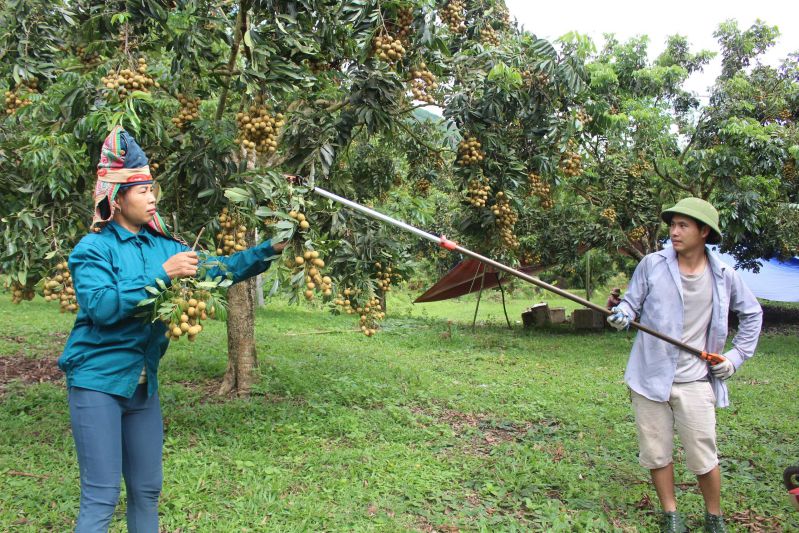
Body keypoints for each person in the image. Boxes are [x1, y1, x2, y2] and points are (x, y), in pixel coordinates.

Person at [57, 126, 286, 532]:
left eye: (152, 190)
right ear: (117, 196)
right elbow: (102, 307)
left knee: (147, 490)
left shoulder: (164, 245)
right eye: (142, 190)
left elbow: (220, 269)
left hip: (143, 387)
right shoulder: (92, 249)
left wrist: (269, 249)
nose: (151, 197)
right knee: (101, 494)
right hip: (97, 383)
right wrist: (162, 275)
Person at [607, 197, 762, 533]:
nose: (673, 233)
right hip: (650, 376)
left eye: (682, 226)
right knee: (656, 450)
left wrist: (734, 358)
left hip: (695, 380)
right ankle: (672, 515)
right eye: (672, 225)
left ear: (703, 231)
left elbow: (752, 314)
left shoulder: (724, 275)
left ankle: (714, 517)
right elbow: (632, 304)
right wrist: (622, 315)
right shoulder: (652, 264)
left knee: (703, 454)